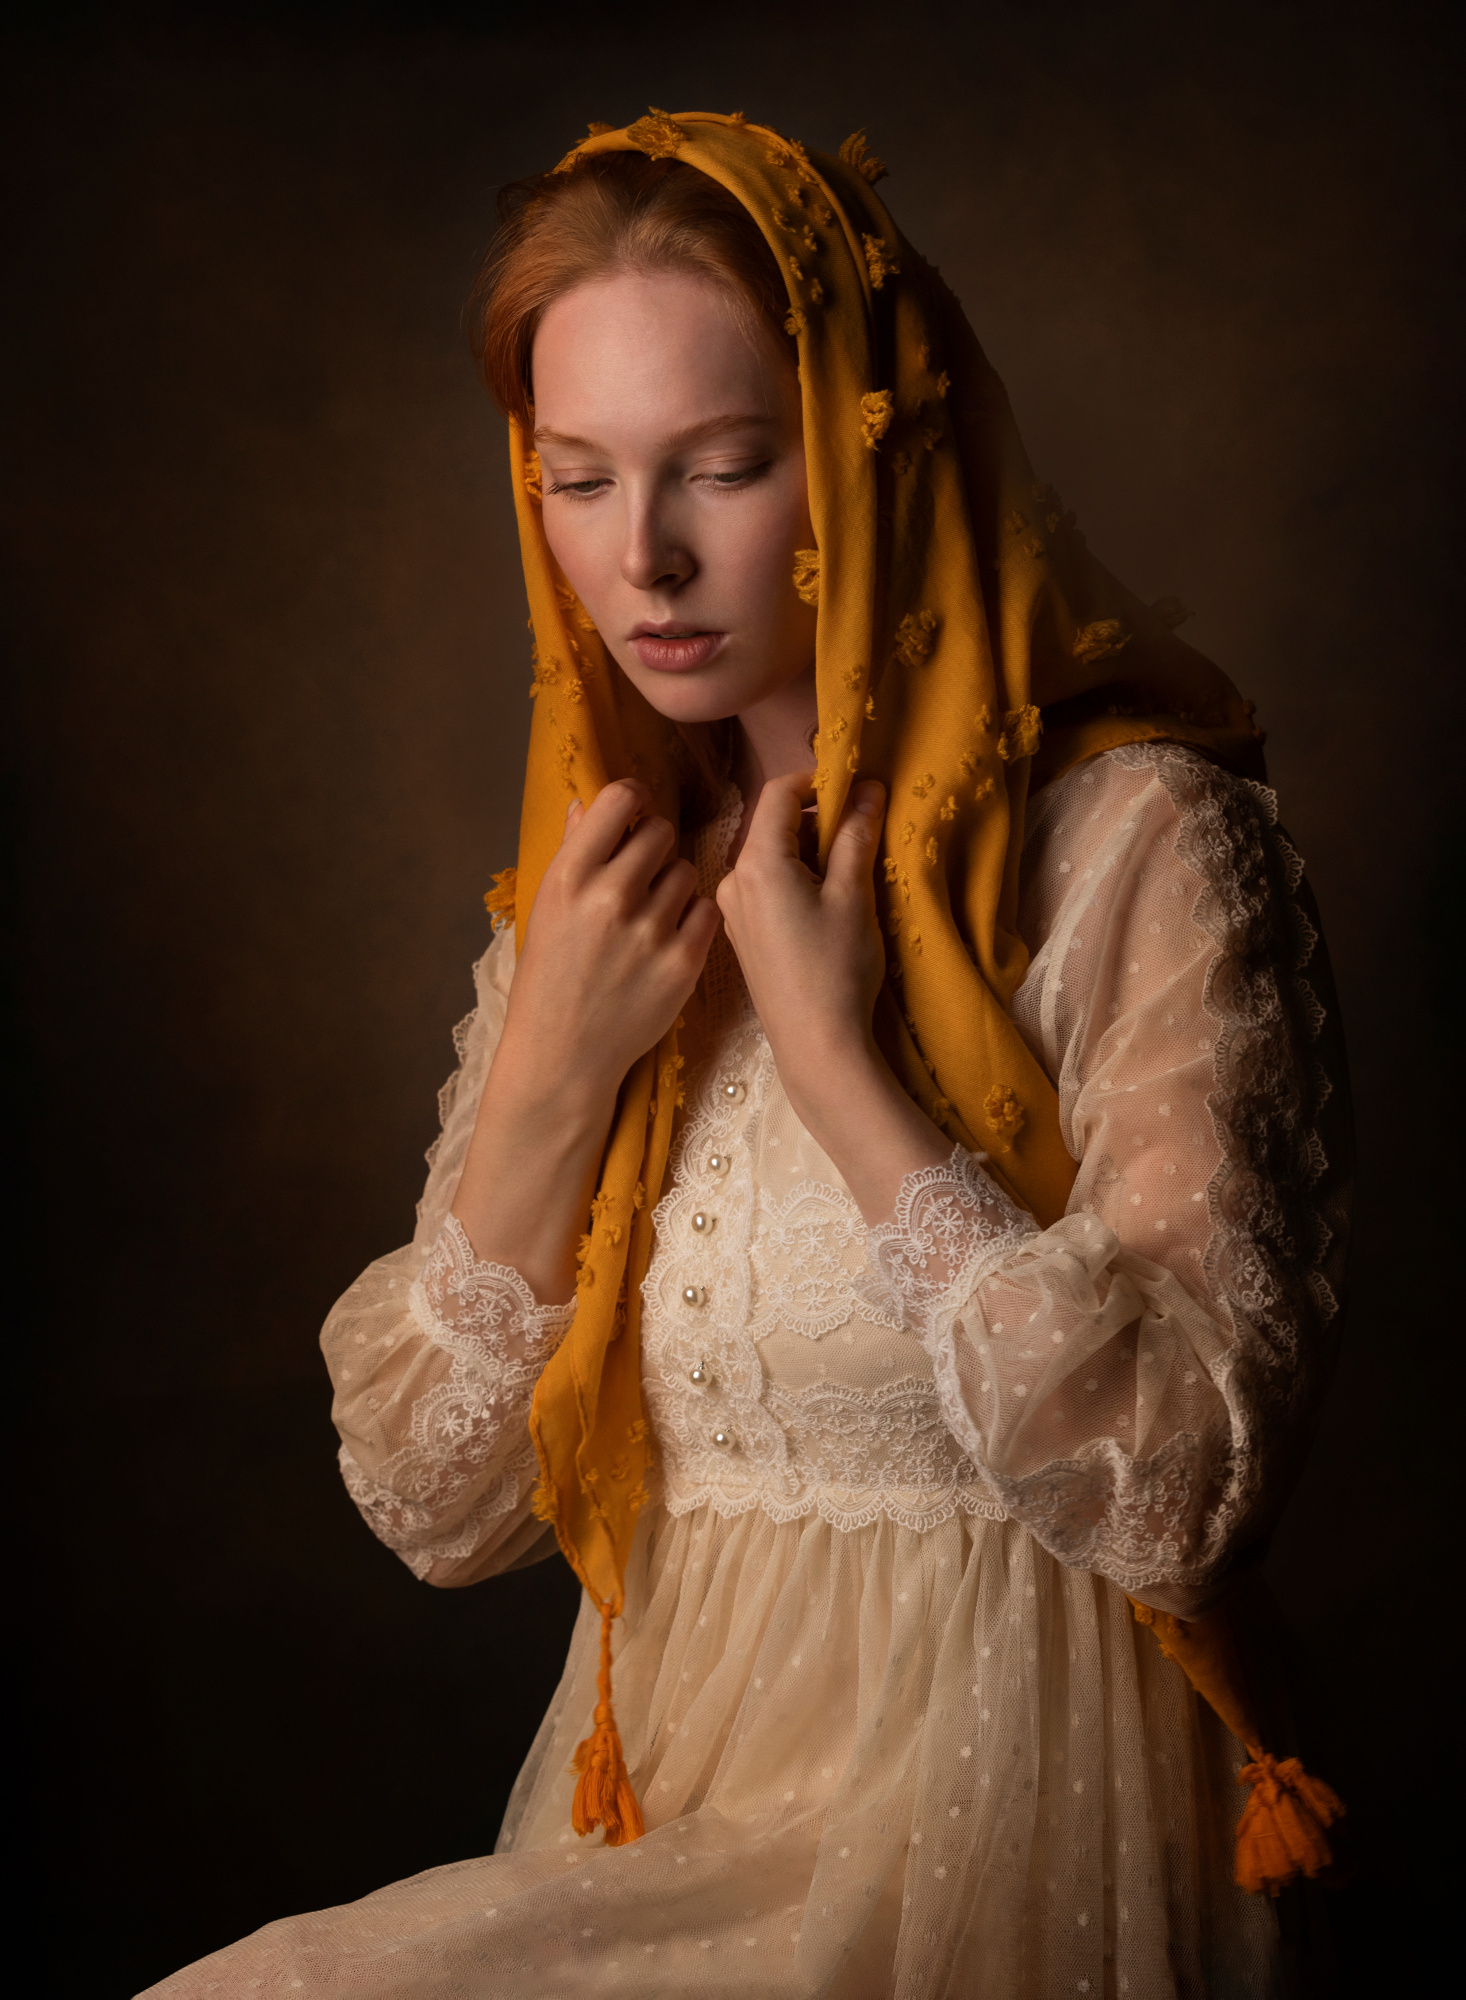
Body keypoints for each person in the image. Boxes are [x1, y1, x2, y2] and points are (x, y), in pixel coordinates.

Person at [144, 111, 1351, 1999]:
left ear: (871, 458)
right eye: (576, 478)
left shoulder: (1133, 847)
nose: (643, 555)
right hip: (671, 1819)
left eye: (720, 466)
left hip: (1006, 1827)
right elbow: (434, 1508)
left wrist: (833, 1062)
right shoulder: (608, 887)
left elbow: (1181, 1491)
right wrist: (554, 1072)